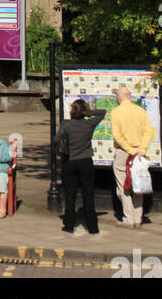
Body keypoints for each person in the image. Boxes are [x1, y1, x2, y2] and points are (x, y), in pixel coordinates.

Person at [55, 99, 103, 235]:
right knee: (88, 194)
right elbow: (102, 113)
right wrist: (88, 112)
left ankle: (69, 224)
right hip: (85, 161)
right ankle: (92, 226)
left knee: (70, 194)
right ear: (84, 111)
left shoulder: (66, 124)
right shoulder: (89, 124)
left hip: (70, 161)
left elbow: (56, 140)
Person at [111, 86, 154, 229]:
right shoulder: (140, 111)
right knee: (138, 183)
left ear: (119, 97)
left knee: (123, 185)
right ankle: (137, 218)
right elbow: (148, 131)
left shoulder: (116, 112)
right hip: (139, 151)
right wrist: (141, 149)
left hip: (124, 151)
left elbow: (117, 136)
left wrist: (130, 150)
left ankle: (128, 218)